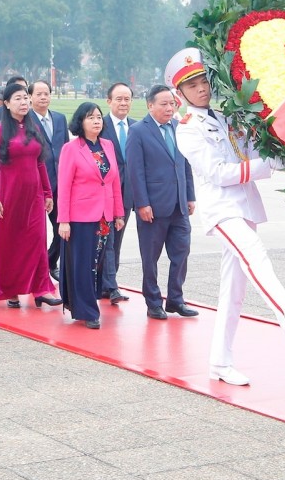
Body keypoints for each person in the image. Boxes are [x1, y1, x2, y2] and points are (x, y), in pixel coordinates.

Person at [170, 48, 285, 387]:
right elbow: (217, 173)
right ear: (178, 93)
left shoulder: (229, 117)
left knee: (233, 291)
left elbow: (257, 154)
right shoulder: (187, 129)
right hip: (221, 209)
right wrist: (265, 165)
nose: (201, 89)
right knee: (254, 252)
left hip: (245, 206)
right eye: (191, 85)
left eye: (203, 81)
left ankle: (220, 363)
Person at [0, 81, 62, 309]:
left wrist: (47, 192)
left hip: (34, 196)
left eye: (24, 98)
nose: (23, 102)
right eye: (17, 98)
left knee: (37, 241)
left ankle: (41, 289)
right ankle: (11, 290)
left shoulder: (33, 128)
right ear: (6, 103)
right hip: (8, 195)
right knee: (11, 244)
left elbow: (40, 163)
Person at [127, 85, 197, 320]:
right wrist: (142, 204)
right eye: (164, 104)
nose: (170, 108)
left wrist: (190, 195)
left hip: (179, 205)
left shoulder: (179, 128)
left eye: (172, 104)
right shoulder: (138, 131)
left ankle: (176, 299)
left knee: (181, 253)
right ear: (150, 105)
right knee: (151, 257)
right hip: (153, 208)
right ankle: (153, 301)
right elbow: (135, 171)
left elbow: (185, 164)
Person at [56, 102, 125, 329]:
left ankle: (90, 303)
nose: (96, 121)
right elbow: (64, 186)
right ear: (80, 122)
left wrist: (118, 213)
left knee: (98, 262)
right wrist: (63, 220)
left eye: (98, 117)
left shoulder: (107, 145)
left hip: (104, 216)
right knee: (83, 264)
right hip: (80, 216)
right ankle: (87, 311)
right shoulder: (71, 148)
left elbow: (113, 181)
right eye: (90, 117)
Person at [29, 79, 68, 277]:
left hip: (60, 184)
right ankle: (35, 269)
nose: (43, 97)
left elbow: (67, 150)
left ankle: (49, 261)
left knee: (63, 229)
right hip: (36, 185)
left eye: (46, 94)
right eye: (39, 94)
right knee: (35, 233)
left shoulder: (60, 118)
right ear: (30, 97)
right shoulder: (25, 120)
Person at [100, 82, 135, 303]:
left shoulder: (137, 127)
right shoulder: (98, 125)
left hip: (128, 193)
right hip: (104, 194)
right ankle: (108, 285)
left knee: (117, 239)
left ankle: (109, 283)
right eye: (119, 99)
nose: (123, 103)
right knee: (105, 238)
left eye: (127, 99)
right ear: (109, 101)